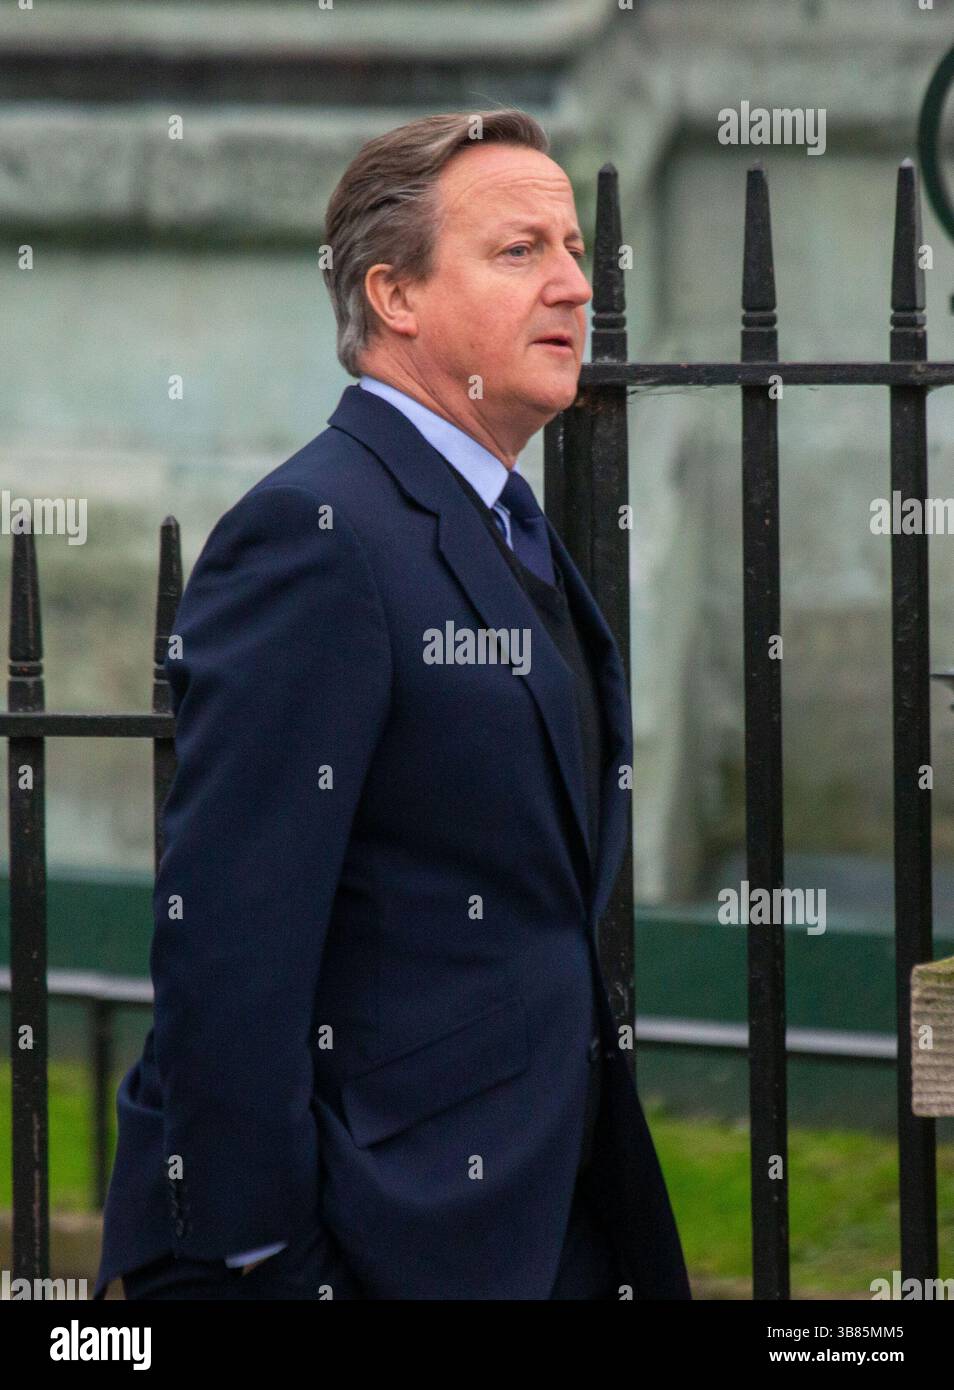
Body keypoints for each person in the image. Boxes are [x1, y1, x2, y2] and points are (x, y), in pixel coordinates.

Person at [93, 108, 691, 1301]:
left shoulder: (503, 519)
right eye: (520, 251)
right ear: (394, 295)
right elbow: (228, 943)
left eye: (575, 248)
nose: (575, 283)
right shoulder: (318, 537)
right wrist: (263, 1258)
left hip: (537, 1214)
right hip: (380, 1241)